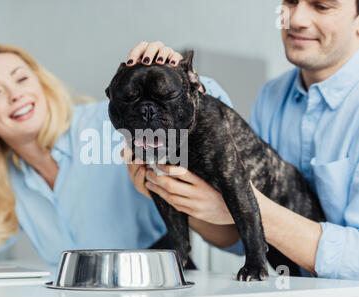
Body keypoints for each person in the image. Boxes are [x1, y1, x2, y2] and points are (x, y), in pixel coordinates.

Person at [0, 43, 229, 268]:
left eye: (21, 79)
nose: (15, 95)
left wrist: (181, 78)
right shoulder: (4, 182)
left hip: (160, 286)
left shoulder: (104, 126)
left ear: (40, 84)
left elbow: (209, 111)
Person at [124, 0, 359, 280]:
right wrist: (179, 193)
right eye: (290, 2)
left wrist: (240, 201)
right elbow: (236, 238)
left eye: (321, 6)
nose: (296, 19)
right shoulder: (272, 96)